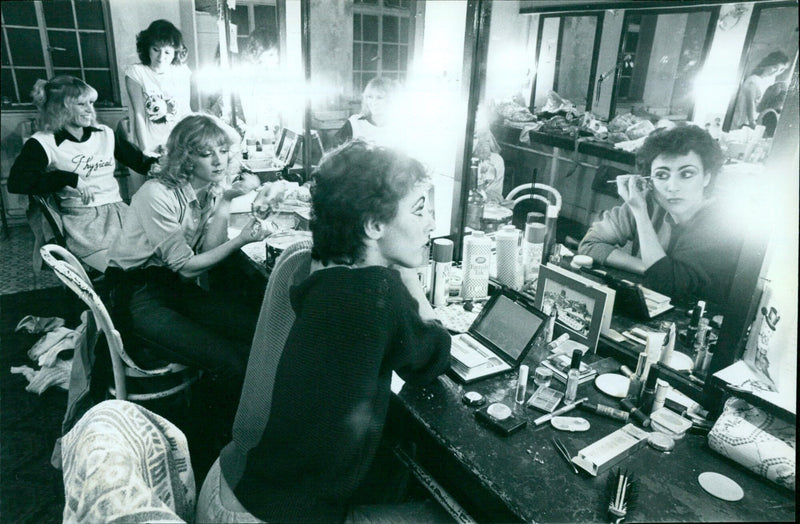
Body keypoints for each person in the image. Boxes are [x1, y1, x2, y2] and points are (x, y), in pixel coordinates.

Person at [195, 140, 452, 523]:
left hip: (227, 486)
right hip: (270, 516)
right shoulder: (381, 292)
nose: (431, 222)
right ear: (374, 225)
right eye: (419, 210)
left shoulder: (313, 266)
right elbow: (433, 357)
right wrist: (411, 278)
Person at [105, 114, 266, 398]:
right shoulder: (157, 194)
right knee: (232, 362)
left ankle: (234, 411)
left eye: (223, 151)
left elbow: (207, 252)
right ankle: (223, 433)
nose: (219, 161)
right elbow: (187, 268)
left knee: (258, 332)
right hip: (137, 296)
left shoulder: (210, 189)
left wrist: (226, 199)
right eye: (207, 154)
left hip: (173, 288)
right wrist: (241, 239)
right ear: (186, 158)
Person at [8, 75, 157, 272]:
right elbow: (17, 182)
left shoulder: (105, 133)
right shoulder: (43, 142)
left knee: (156, 260)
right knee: (122, 270)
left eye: (91, 102)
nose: (90, 110)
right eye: (81, 104)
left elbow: (140, 162)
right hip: (82, 221)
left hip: (121, 212)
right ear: (60, 108)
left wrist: (163, 164)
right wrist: (68, 178)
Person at [578, 125, 740, 303]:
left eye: (686, 174)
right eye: (662, 175)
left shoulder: (721, 222)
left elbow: (666, 286)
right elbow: (590, 244)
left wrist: (640, 214)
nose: (672, 187)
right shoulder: (648, 201)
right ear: (649, 180)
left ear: (707, 177)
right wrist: (645, 267)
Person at [125, 19, 193, 192]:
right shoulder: (136, 72)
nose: (161, 58)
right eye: (156, 50)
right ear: (147, 47)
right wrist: (145, 150)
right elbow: (139, 114)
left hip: (177, 144)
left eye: (168, 52)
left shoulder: (181, 72)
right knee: (152, 194)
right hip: (149, 143)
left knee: (179, 194)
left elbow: (185, 111)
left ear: (176, 52)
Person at [731, 51, 790, 130]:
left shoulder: (769, 80)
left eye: (781, 69)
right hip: (740, 122)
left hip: (752, 120)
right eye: (775, 67)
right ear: (768, 63)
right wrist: (753, 124)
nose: (777, 72)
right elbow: (750, 103)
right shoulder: (753, 80)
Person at [334, 76, 400, 148]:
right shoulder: (354, 123)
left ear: (390, 100)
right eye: (370, 97)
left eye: (379, 97)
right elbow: (334, 152)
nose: (373, 102)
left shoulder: (398, 126)